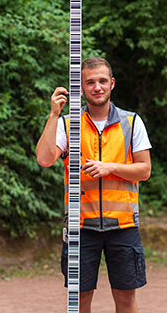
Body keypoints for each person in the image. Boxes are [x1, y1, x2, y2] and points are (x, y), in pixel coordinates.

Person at [36, 57, 151, 313]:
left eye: (101, 81)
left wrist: (110, 167)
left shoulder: (131, 122)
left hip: (123, 225)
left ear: (112, 83)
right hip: (81, 226)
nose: (97, 87)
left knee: (125, 298)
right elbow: (44, 159)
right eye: (90, 82)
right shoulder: (68, 124)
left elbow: (144, 170)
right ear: (81, 87)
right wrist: (54, 114)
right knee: (79, 299)